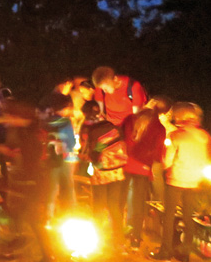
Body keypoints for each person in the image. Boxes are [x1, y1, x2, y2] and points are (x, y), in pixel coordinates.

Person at [150, 102, 211, 262]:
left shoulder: (176, 136)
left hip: (176, 179)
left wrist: (164, 161)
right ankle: (185, 253)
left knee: (169, 215)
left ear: (180, 117)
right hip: (194, 181)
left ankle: (166, 251)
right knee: (188, 215)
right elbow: (206, 160)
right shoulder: (204, 136)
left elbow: (167, 162)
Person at [0, 100, 55, 262]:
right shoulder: (24, 131)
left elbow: (31, 160)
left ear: (18, 116)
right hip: (27, 180)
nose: (6, 120)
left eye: (9, 116)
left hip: (33, 182)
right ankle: (17, 246)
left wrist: (7, 152)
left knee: (33, 219)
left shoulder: (29, 134)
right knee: (17, 214)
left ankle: (49, 256)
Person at [122, 96, 171, 250]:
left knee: (120, 201)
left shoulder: (130, 119)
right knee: (138, 205)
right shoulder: (159, 128)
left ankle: (117, 234)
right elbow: (157, 154)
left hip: (125, 165)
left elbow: (123, 140)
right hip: (142, 169)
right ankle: (135, 238)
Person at [78, 100, 127, 250]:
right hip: (117, 171)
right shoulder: (111, 125)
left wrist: (82, 156)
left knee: (98, 205)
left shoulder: (87, 128)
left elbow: (86, 152)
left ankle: (97, 240)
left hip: (101, 172)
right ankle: (119, 240)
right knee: (114, 205)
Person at [40, 93, 76, 222]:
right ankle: (70, 217)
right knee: (68, 188)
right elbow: (71, 142)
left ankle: (48, 218)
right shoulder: (66, 122)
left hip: (50, 159)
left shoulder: (44, 121)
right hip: (65, 159)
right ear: (66, 107)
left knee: (52, 188)